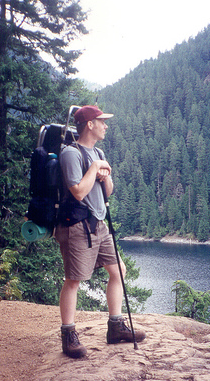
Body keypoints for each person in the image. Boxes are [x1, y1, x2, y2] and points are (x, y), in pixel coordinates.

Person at [55, 105, 146, 358]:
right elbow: (78, 191)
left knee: (119, 270)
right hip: (77, 225)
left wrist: (106, 176)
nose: (105, 125)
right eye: (101, 121)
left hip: (99, 223)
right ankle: (68, 335)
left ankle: (115, 328)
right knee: (73, 280)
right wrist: (95, 169)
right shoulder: (71, 154)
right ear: (89, 125)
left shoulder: (98, 151)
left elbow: (107, 192)